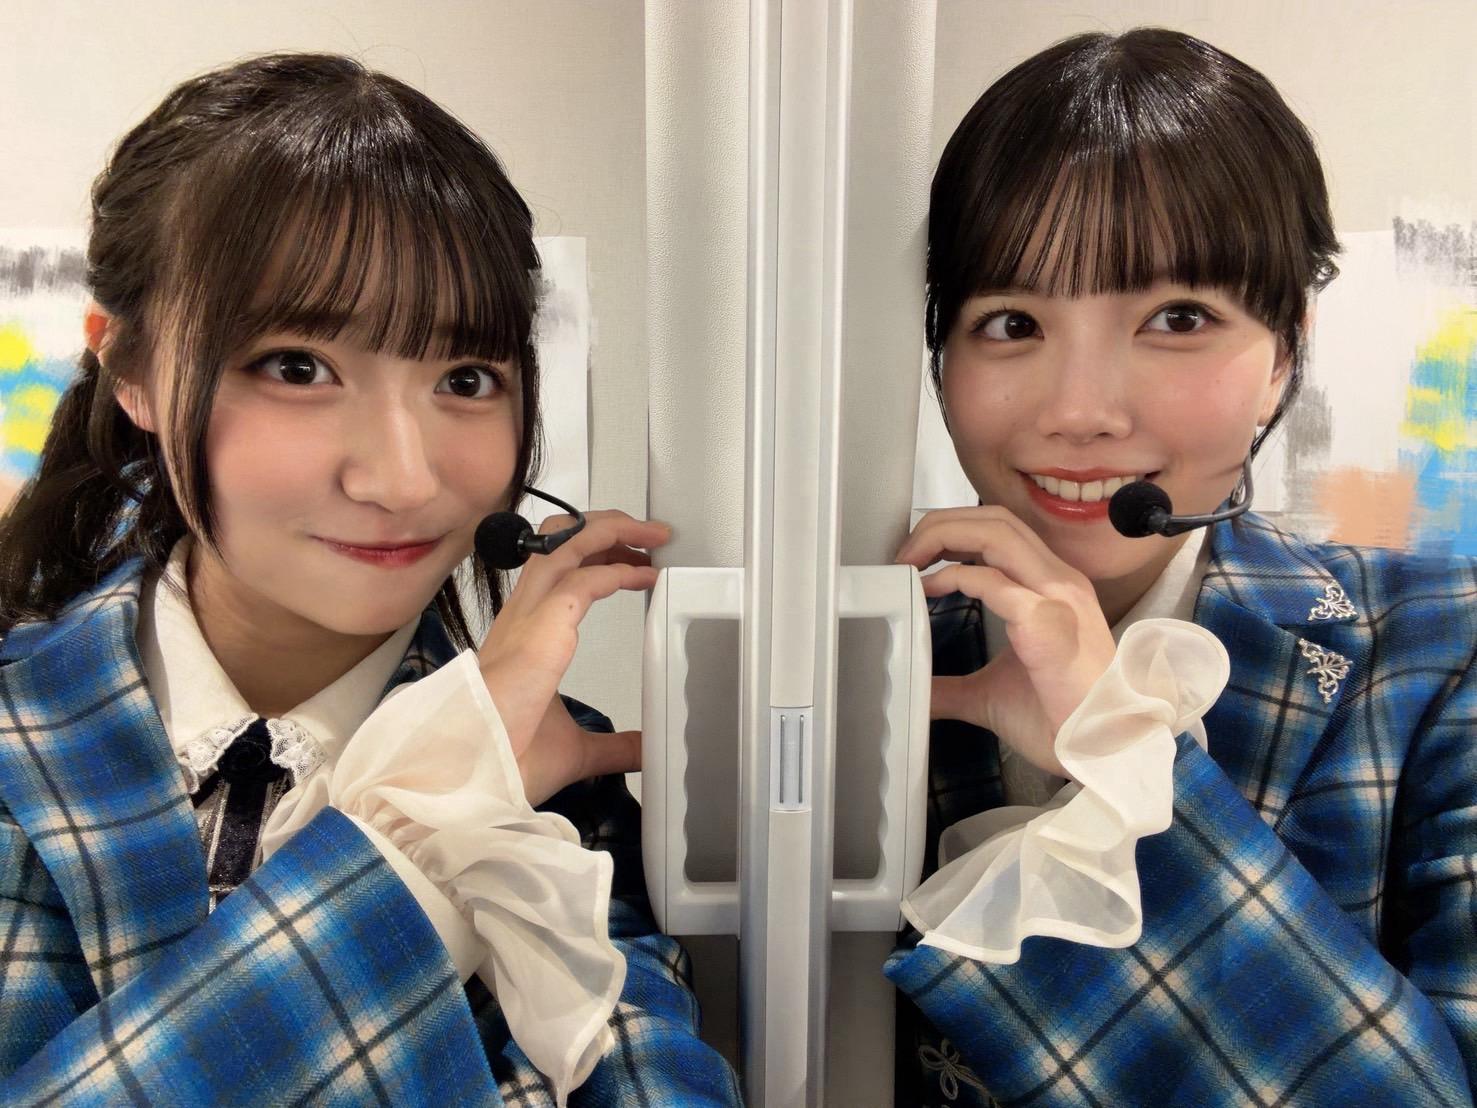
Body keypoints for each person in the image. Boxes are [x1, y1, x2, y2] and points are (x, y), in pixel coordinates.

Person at [0, 52, 738, 1106]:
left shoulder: (552, 774)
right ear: (132, 370)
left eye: (466, 378)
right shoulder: (23, 721)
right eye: (297, 366)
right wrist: (410, 845)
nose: (402, 480)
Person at [886, 28, 1476, 1107]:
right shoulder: (875, 651)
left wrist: (1121, 762)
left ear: (1283, 353)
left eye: (1177, 318)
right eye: (1010, 323)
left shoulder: (1439, 646)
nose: (1079, 413)